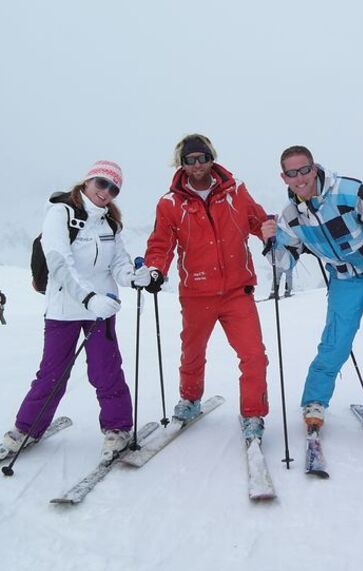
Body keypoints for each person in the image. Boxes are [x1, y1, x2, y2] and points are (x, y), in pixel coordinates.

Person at [2, 161, 150, 461]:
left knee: (105, 369)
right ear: (87, 181)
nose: (106, 192)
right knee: (52, 374)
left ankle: (118, 428)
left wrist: (132, 276)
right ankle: (26, 428)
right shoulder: (60, 213)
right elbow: (59, 262)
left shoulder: (109, 223)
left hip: (102, 307)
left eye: (113, 188)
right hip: (65, 308)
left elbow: (118, 262)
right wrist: (88, 297)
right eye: (101, 183)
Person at [262, 145, 363, 443]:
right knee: (335, 342)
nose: (300, 178)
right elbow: (285, 263)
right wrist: (270, 242)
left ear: (314, 168)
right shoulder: (290, 217)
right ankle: (315, 401)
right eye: (292, 173)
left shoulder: (348, 191)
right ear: (284, 177)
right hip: (344, 280)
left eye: (304, 169)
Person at [144, 134, 269, 440]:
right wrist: (155, 270)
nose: (197, 164)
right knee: (192, 352)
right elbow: (162, 243)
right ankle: (190, 398)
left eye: (203, 158)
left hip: (238, 290)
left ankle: (253, 415)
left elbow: (257, 220)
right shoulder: (170, 203)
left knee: (253, 354)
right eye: (190, 160)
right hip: (197, 293)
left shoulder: (236, 190)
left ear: (212, 158)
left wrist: (271, 235)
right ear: (182, 163)